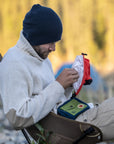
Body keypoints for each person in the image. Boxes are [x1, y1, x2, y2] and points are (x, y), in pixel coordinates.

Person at [0, 4, 114, 142]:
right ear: (36, 37)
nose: (53, 48)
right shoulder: (14, 63)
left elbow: (54, 101)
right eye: (50, 42)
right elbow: (18, 117)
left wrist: (69, 85)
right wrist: (59, 85)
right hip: (69, 128)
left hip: (70, 119)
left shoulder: (40, 57)